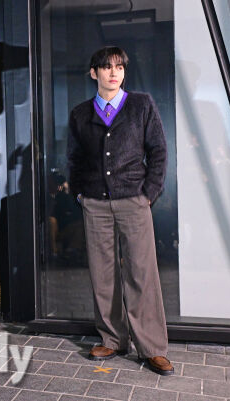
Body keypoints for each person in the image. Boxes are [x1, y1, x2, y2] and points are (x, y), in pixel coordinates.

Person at [66, 46, 171, 375]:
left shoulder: (141, 105)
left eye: (119, 67)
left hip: (134, 201)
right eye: (107, 67)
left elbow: (159, 151)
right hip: (95, 203)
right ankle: (112, 339)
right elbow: (73, 160)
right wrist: (81, 194)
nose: (114, 72)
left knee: (142, 273)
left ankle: (152, 347)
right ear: (93, 73)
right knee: (102, 274)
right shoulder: (80, 114)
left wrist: (148, 194)